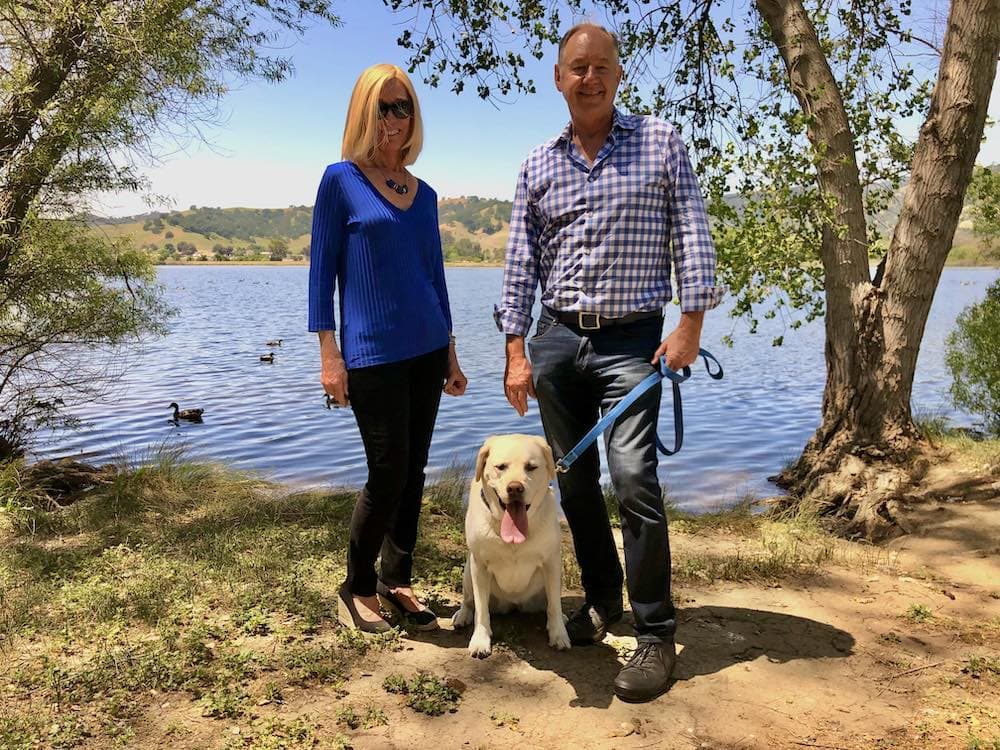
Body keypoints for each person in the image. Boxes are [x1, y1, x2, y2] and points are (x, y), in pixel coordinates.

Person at [494, 23, 723, 702]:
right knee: (570, 480)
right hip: (557, 341)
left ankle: (655, 633)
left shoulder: (660, 143)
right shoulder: (538, 165)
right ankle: (601, 603)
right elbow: (519, 265)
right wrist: (515, 348)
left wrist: (690, 322)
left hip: (633, 344)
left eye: (601, 67)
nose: (589, 79)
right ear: (558, 79)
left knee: (632, 480)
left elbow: (693, 234)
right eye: (576, 68)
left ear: (618, 75)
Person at [308, 64, 468, 634]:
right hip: (371, 353)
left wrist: (450, 352)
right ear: (362, 112)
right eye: (383, 107)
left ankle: (396, 580)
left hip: (427, 348)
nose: (394, 119)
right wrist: (330, 355)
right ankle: (354, 588)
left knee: (416, 468)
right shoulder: (339, 180)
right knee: (388, 470)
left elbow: (436, 276)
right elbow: (320, 273)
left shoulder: (423, 196)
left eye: (403, 108)